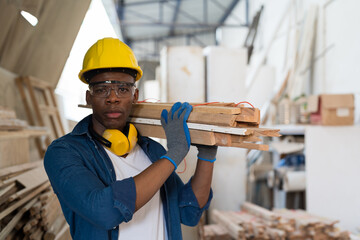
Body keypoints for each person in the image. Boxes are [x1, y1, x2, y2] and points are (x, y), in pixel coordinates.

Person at [44, 37, 217, 240]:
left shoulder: (152, 152)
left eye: (123, 89)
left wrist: (207, 156)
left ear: (134, 96)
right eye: (101, 89)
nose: (113, 97)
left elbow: (188, 212)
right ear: (88, 97)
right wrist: (174, 155)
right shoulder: (64, 153)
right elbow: (104, 211)